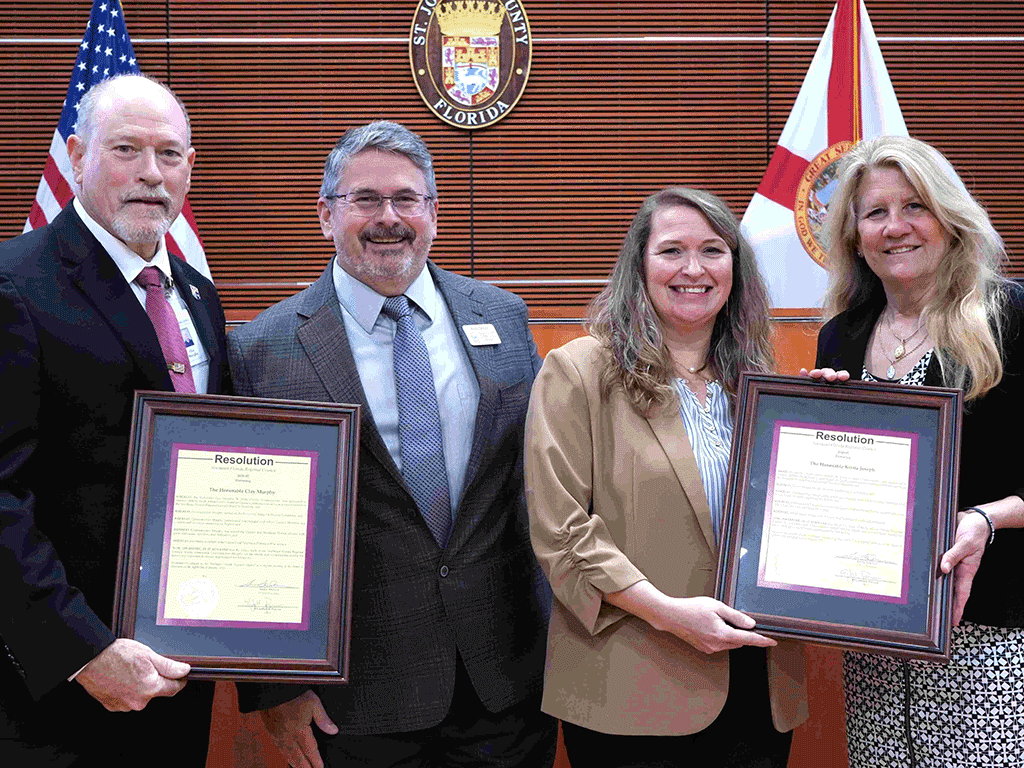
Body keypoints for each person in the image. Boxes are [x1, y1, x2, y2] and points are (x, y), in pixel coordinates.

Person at [227, 120, 557, 768]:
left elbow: (546, 474)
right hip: (354, 703)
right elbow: (248, 529)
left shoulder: (505, 316)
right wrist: (274, 687)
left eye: (407, 199)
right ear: (326, 215)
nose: (389, 218)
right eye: (366, 200)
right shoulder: (263, 350)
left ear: (432, 212)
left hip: (506, 685)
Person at [525, 187, 808, 767]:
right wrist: (667, 613)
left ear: (736, 267)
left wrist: (833, 419)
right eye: (671, 250)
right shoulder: (579, 372)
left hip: (760, 685)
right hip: (634, 687)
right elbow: (562, 532)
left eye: (713, 250)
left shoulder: (760, 383)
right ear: (640, 266)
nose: (694, 269)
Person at [0, 74, 230, 764]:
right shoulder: (16, 284)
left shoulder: (197, 295)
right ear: (76, 156)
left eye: (169, 154)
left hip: (177, 676)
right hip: (57, 698)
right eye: (126, 149)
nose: (150, 174)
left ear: (190, 166)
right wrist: (83, 650)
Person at [809, 134, 1024, 767]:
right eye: (875, 212)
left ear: (950, 217)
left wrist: (990, 517)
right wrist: (816, 427)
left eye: (916, 207)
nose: (895, 227)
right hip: (878, 640)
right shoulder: (840, 340)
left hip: (992, 636)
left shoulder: (1010, 318)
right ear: (853, 234)